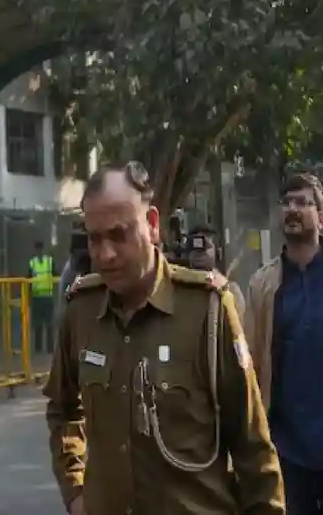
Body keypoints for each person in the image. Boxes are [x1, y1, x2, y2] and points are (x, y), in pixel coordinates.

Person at [44, 161, 284, 515]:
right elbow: (62, 408)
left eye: (118, 234)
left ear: (152, 224)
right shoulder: (81, 311)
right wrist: (76, 489)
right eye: (94, 239)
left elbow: (252, 445)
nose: (105, 254)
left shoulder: (208, 309)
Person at [244, 172, 323, 514]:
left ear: (321, 218)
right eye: (287, 202)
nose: (292, 209)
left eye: (302, 202)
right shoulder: (262, 284)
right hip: (286, 452)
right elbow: (250, 363)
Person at [187, 224, 246, 318]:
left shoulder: (231, 290)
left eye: (206, 245)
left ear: (217, 251)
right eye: (196, 245)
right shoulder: (175, 289)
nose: (201, 251)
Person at [28, 240, 56, 355]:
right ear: (35, 250)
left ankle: (49, 348)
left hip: (47, 296)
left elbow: (55, 275)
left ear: (42, 249)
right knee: (38, 323)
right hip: (37, 297)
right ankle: (38, 348)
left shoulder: (49, 261)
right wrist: (29, 296)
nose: (39, 251)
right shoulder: (32, 263)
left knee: (49, 324)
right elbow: (28, 280)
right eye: (37, 249)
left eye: (40, 249)